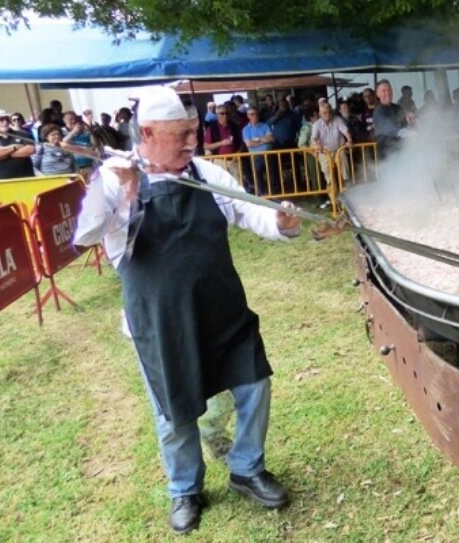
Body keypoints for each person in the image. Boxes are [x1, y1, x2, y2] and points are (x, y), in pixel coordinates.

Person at [73, 86, 302, 534]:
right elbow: (84, 235)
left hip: (220, 308)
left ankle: (246, 467)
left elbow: (247, 210)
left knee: (253, 381)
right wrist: (121, 193)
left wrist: (279, 223)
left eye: (192, 133)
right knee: (173, 412)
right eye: (180, 136)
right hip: (159, 322)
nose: (190, 144)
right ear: (148, 132)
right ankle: (184, 489)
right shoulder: (115, 179)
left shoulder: (206, 173)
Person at [0, 109, 36, 180]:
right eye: (1, 119)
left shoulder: (21, 134)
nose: (5, 122)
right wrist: (14, 147)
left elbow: (31, 150)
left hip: (26, 178)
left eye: (7, 119)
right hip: (2, 181)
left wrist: (3, 154)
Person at [311, 103, 352, 193]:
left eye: (329, 112)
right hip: (325, 152)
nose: (327, 115)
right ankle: (335, 200)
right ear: (320, 114)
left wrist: (349, 140)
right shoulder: (316, 124)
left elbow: (345, 131)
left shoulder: (337, 120)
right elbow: (314, 137)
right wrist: (317, 144)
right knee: (329, 177)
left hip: (338, 149)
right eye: (325, 113)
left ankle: (347, 189)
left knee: (344, 163)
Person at [241, 106, 274, 195]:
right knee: (258, 176)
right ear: (248, 116)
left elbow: (271, 139)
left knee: (272, 175)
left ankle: (275, 194)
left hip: (269, 154)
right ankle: (262, 195)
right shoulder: (245, 129)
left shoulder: (265, 125)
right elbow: (249, 144)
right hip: (256, 156)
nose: (254, 116)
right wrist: (263, 140)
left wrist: (256, 139)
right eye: (252, 114)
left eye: (256, 113)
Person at [371, 80, 408, 158]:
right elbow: (388, 127)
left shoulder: (398, 108)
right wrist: (403, 132)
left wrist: (409, 118)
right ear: (377, 94)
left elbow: (404, 121)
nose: (387, 93)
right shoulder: (378, 111)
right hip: (386, 153)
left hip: (402, 150)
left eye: (389, 90)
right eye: (384, 91)